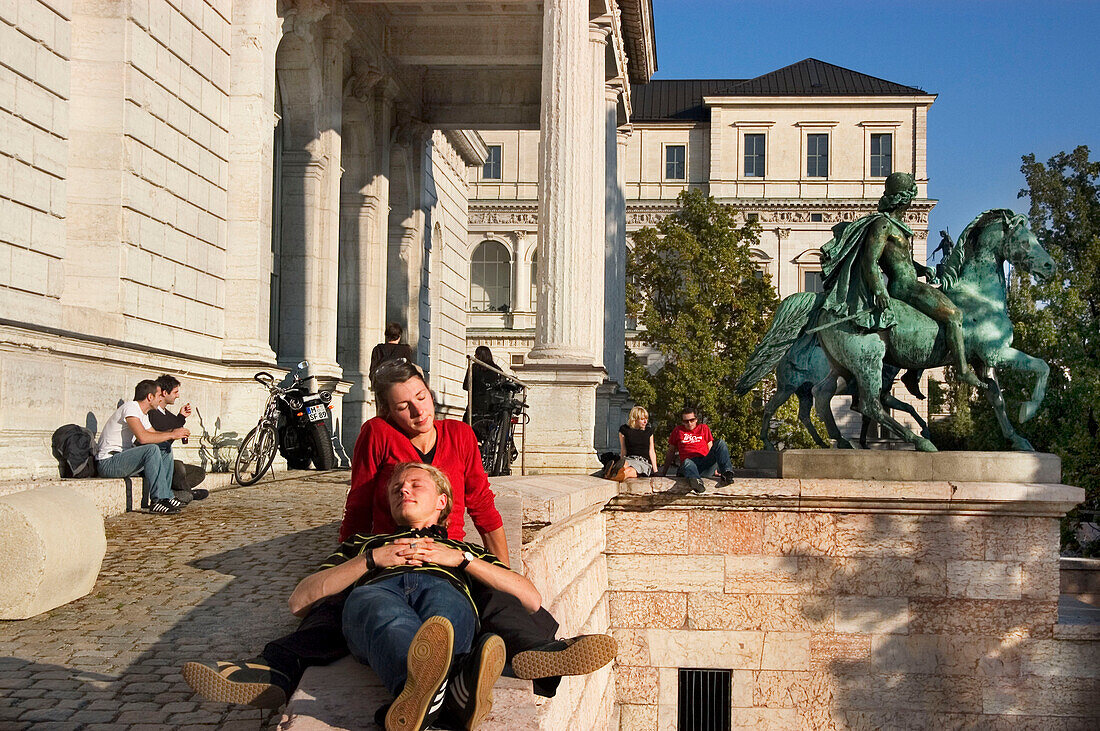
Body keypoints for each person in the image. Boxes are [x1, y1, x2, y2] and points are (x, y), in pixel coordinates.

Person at [182, 359, 615, 710]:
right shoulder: (376, 435)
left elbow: (483, 505)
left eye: (421, 398)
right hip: (385, 552)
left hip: (447, 549)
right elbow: (358, 502)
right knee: (341, 607)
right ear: (388, 410)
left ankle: (533, 652)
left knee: (492, 598)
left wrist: (492, 564)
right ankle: (279, 671)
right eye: (404, 405)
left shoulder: (459, 435)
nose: (418, 410)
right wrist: (357, 557)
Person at [285, 462, 537, 730]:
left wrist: (461, 560)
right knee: (378, 608)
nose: (404, 490)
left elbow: (530, 598)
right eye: (396, 489)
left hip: (446, 586)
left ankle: (420, 697)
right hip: (378, 589)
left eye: (416, 485)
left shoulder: (463, 549)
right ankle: (449, 690)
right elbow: (299, 602)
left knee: (443, 617)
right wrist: (371, 559)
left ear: (442, 501)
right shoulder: (363, 544)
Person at [819, 171, 983, 388]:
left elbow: (902, 262)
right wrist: (879, 290)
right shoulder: (883, 225)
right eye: (910, 196)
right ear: (904, 198)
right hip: (905, 287)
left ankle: (914, 373)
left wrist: (922, 268)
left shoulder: (897, 226)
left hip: (912, 282)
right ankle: (962, 370)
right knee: (954, 315)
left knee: (932, 322)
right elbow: (870, 261)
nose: (911, 201)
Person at [95, 380, 190, 514]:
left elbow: (154, 434)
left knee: (164, 447)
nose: (160, 400)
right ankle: (158, 501)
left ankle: (167, 496)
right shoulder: (131, 408)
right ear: (150, 397)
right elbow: (143, 438)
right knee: (151, 449)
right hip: (108, 462)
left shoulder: (143, 414)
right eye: (159, 396)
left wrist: (174, 433)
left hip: (122, 460)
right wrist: (172, 435)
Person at [149, 374, 208, 504]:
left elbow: (173, 425)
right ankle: (187, 493)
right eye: (175, 392)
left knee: (199, 472)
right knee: (179, 467)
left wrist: (181, 417)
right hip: (157, 461)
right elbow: (163, 431)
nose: (178, 395)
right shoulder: (152, 412)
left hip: (166, 461)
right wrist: (174, 431)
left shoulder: (165, 413)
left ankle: (179, 491)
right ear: (165, 393)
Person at [661, 406, 735, 494]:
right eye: (686, 421)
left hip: (704, 463)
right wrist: (664, 472)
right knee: (687, 462)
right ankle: (696, 482)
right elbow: (671, 452)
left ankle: (727, 473)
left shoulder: (704, 428)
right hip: (688, 465)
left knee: (720, 443)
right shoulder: (678, 431)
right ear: (682, 422)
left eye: (692, 420)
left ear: (696, 419)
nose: (689, 423)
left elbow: (710, 448)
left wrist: (715, 470)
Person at [609, 406, 657, 481]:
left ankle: (612, 476)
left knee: (628, 471)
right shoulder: (624, 430)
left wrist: (655, 470)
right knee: (623, 466)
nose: (645, 422)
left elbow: (651, 451)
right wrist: (622, 459)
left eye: (646, 419)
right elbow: (623, 449)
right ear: (635, 419)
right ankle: (613, 471)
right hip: (629, 458)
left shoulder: (648, 431)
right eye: (642, 419)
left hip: (643, 461)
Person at [462, 345, 506, 422]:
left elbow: (466, 386)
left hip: (475, 406)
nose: (475, 356)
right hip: (493, 407)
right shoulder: (497, 370)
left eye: (476, 354)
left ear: (480, 356)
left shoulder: (474, 367)